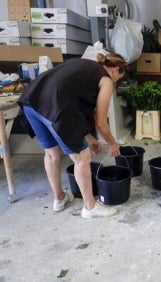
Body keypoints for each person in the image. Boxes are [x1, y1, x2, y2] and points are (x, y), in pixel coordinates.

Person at [18, 52, 128, 219]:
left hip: (32, 101)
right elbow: (101, 123)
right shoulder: (105, 80)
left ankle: (60, 199)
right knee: (82, 157)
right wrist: (113, 143)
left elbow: (76, 105)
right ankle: (90, 207)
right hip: (55, 106)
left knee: (51, 154)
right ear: (115, 70)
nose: (115, 82)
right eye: (118, 78)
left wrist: (89, 138)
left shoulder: (84, 65)